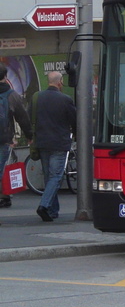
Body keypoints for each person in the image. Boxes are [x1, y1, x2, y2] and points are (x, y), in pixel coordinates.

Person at [34, 70, 76, 221]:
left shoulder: (38, 98)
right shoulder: (65, 99)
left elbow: (30, 116)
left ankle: (52, 211)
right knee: (56, 177)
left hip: (42, 142)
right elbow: (74, 120)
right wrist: (76, 135)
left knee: (49, 177)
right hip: (59, 142)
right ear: (60, 82)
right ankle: (44, 206)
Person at [0, 62, 34, 209]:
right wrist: (29, 136)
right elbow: (22, 118)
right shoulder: (11, 95)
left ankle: (4, 197)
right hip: (4, 139)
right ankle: (3, 197)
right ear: (5, 76)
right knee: (2, 168)